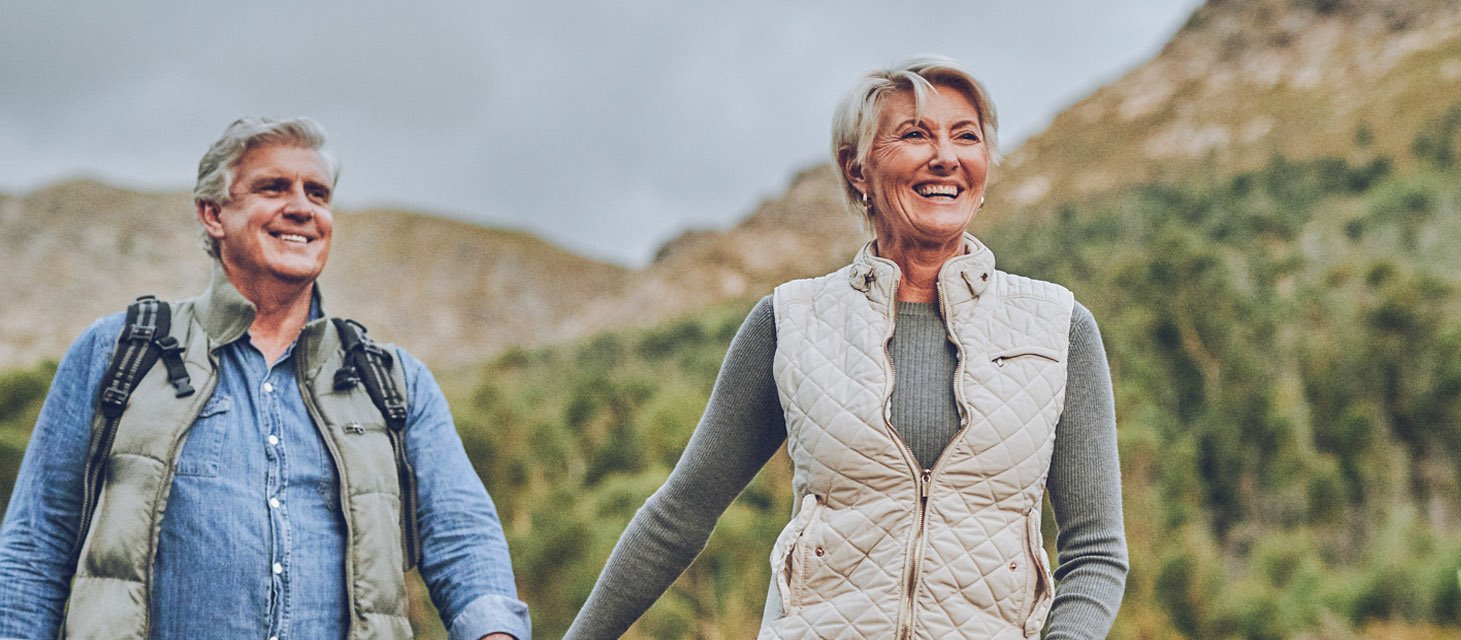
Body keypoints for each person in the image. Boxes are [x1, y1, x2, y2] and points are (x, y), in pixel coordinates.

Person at [566, 56, 1128, 639]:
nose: (946, 156)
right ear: (857, 169)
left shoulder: (1058, 327)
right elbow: (678, 516)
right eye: (915, 134)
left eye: (967, 136)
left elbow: (1095, 551)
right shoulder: (790, 322)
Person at [0, 117, 530, 640]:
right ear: (213, 214)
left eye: (317, 193)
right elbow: (33, 550)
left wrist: (495, 632)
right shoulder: (115, 354)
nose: (301, 207)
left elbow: (462, 538)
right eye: (273, 187)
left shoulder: (393, 382)